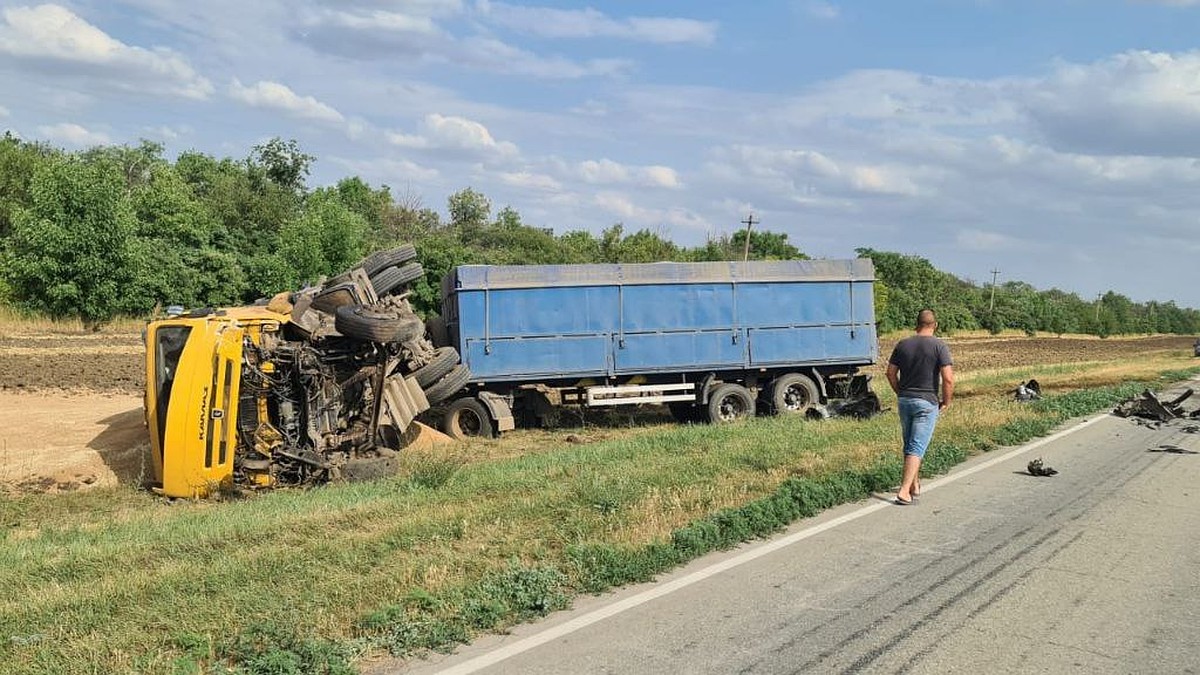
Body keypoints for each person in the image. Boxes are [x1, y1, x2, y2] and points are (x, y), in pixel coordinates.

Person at [886, 309, 954, 505]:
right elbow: (948, 379)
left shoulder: (903, 344)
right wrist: (946, 401)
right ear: (935, 325)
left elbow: (890, 373)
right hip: (926, 402)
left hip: (905, 400)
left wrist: (901, 392)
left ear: (917, 325)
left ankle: (914, 485)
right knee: (917, 446)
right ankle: (904, 490)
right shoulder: (939, 346)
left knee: (910, 444)